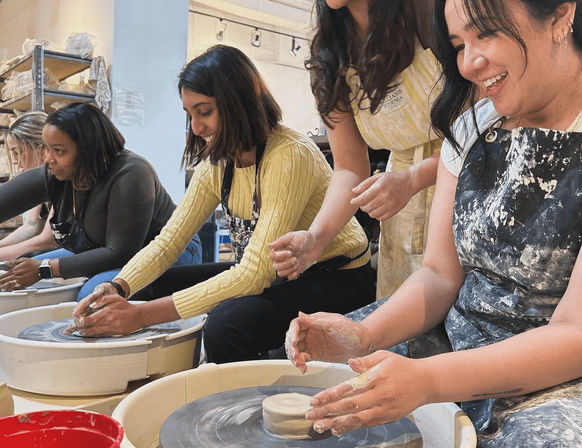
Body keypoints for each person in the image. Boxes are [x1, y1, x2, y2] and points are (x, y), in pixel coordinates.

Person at [284, 0, 582, 446]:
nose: (469, 64)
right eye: (459, 45)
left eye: (487, 33)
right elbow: (441, 275)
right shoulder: (471, 128)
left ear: (560, 16)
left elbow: (573, 334)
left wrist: (427, 380)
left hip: (555, 370)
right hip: (455, 337)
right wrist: (364, 336)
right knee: (319, 395)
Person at [71, 45, 375, 364]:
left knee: (225, 325)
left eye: (204, 112)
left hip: (337, 277)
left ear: (238, 105)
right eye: (190, 115)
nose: (196, 128)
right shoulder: (219, 162)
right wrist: (119, 287)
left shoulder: (288, 155)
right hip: (274, 274)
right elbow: (168, 243)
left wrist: (141, 316)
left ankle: (247, 406)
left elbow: (253, 275)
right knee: (148, 287)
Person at [270, 0, 442, 300]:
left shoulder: (428, 14)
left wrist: (414, 179)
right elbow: (349, 167)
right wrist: (316, 238)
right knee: (406, 326)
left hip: (465, 180)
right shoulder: (331, 55)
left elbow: (482, 126)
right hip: (401, 204)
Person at [0, 102, 202, 299]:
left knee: (92, 295)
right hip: (103, 250)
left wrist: (46, 269)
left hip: (166, 250)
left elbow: (119, 253)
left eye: (59, 151)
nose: (49, 159)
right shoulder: (56, 173)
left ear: (88, 150)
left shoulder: (130, 174)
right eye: (47, 149)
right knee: (18, 272)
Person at [0, 112, 57, 260]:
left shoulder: (61, 177)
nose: (14, 161)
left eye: (17, 152)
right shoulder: (41, 183)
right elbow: (31, 226)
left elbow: (47, 241)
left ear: (40, 148)